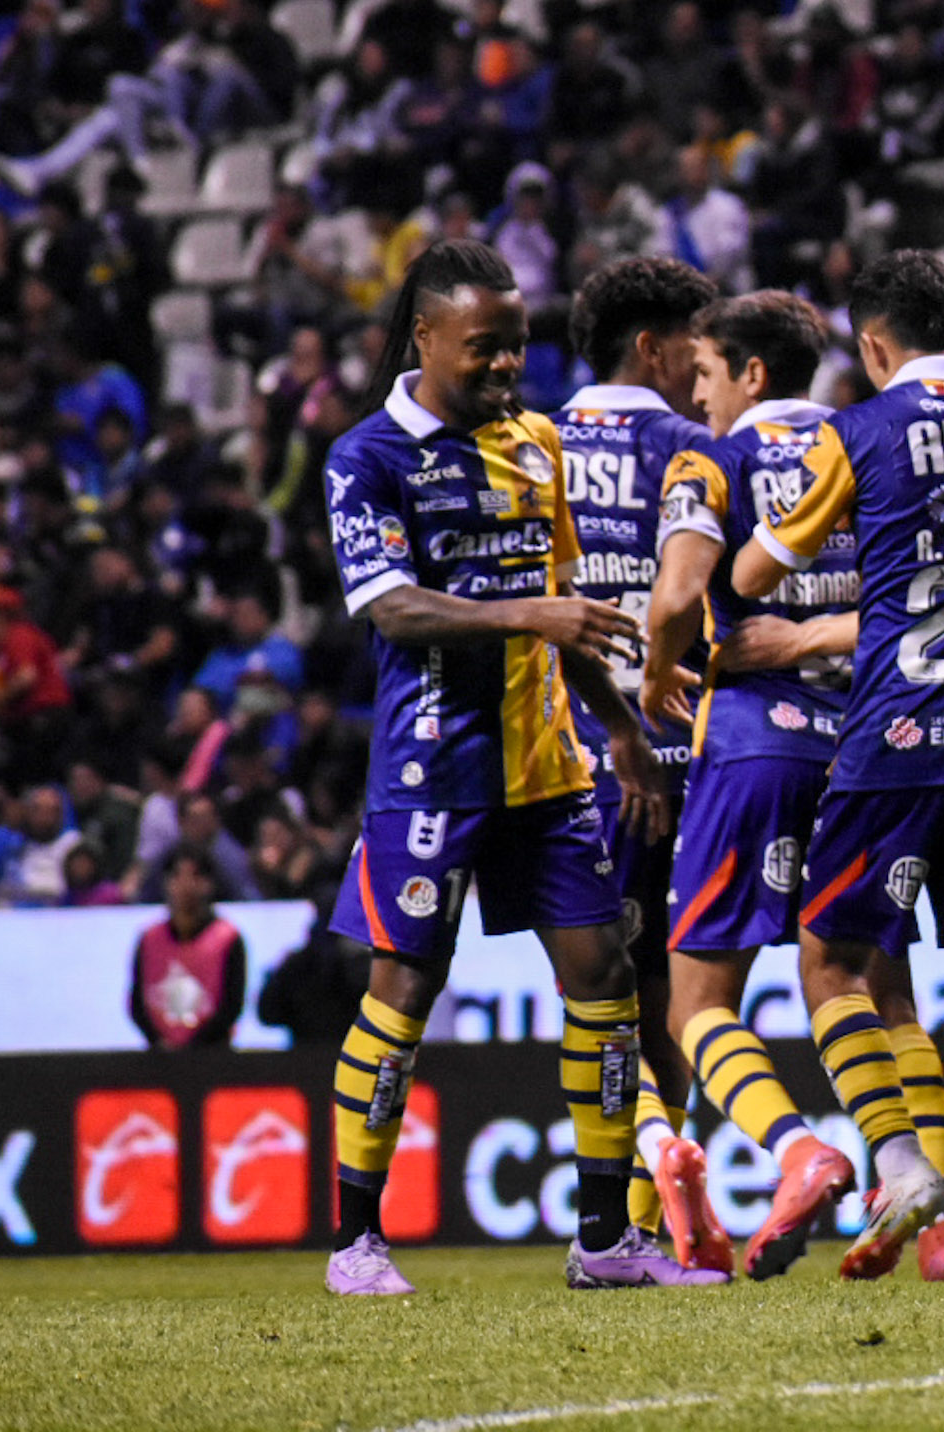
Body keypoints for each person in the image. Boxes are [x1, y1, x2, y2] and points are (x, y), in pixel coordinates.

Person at [317, 238, 722, 1296]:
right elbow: (389, 606)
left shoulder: (536, 442)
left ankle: (604, 1240)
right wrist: (531, 612)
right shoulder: (366, 457)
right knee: (402, 990)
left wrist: (620, 729)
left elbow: (570, 614)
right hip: (431, 774)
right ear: (426, 336)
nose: (505, 368)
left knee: (603, 975)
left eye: (517, 347)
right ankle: (357, 1240)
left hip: (548, 767)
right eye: (484, 349)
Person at [729, 251, 944, 1281]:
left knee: (832, 961)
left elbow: (754, 573)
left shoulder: (859, 428)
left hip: (898, 735)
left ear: (872, 346)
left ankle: (902, 1160)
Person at [638, 292, 868, 1278]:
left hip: (752, 745)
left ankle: (796, 1148)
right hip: (863, 747)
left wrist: (657, 667)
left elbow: (683, 593)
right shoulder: (866, 447)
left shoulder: (714, 459)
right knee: (858, 984)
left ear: (753, 374)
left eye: (706, 374)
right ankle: (929, 1208)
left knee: (694, 1001)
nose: (698, 394)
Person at [556, 256, 725, 1272]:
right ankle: (664, 1201)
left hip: (564, 763)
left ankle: (641, 1186)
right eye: (693, 349)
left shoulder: (530, 447)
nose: (700, 369)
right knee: (676, 993)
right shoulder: (692, 448)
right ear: (651, 347)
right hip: (683, 757)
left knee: (596, 995)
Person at [129, 845, 246, 1050]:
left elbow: (232, 1005)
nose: (186, 885)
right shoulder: (149, 939)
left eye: (195, 876)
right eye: (177, 876)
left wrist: (196, 1046)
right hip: (159, 1058)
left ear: (209, 884)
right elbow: (137, 1002)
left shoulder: (228, 938)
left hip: (213, 1055)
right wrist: (158, 1041)